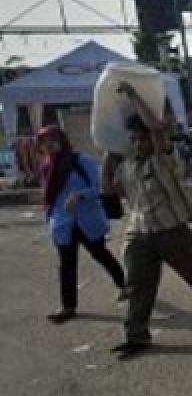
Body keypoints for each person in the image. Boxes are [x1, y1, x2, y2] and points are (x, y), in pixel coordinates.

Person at [103, 82, 192, 358]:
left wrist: (134, 95)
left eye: (143, 138)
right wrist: (107, 153)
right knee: (138, 284)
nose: (139, 143)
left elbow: (158, 129)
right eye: (134, 139)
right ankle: (136, 335)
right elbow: (109, 189)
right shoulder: (128, 166)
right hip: (139, 232)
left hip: (170, 228)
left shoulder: (164, 159)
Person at [35, 125, 128, 324]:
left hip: (86, 219)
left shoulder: (80, 161)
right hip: (63, 223)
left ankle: (124, 285)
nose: (48, 145)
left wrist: (79, 195)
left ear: (61, 140)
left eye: (52, 140)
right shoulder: (46, 167)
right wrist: (50, 217)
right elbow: (51, 197)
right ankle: (68, 306)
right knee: (66, 265)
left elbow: (97, 189)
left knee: (100, 254)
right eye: (43, 142)